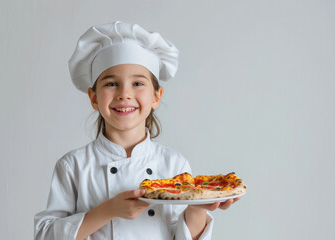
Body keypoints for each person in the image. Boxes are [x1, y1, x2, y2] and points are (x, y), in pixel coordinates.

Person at [34, 20, 240, 240]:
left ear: (156, 96)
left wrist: (199, 205)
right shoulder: (73, 166)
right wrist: (108, 210)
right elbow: (44, 235)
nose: (124, 94)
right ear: (94, 97)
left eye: (138, 83)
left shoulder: (174, 164)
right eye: (111, 83)